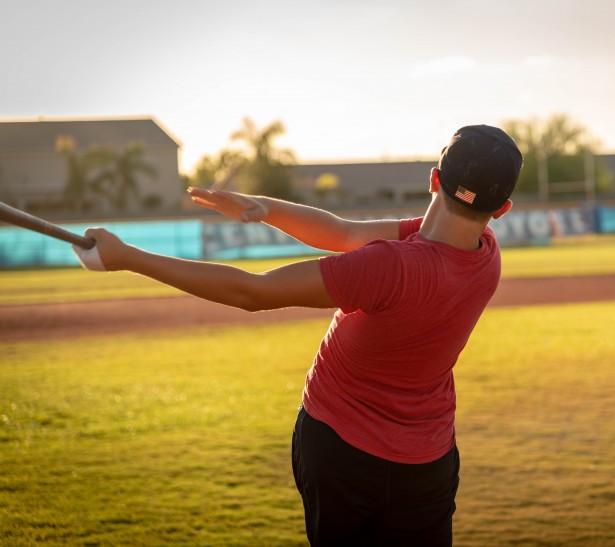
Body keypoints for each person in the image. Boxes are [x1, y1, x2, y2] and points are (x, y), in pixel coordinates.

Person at [73, 124, 523, 546]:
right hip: (428, 463)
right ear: (501, 209)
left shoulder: (390, 265)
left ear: (433, 179)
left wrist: (129, 257)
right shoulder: (487, 255)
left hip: (341, 451)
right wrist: (264, 208)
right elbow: (343, 232)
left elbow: (253, 291)